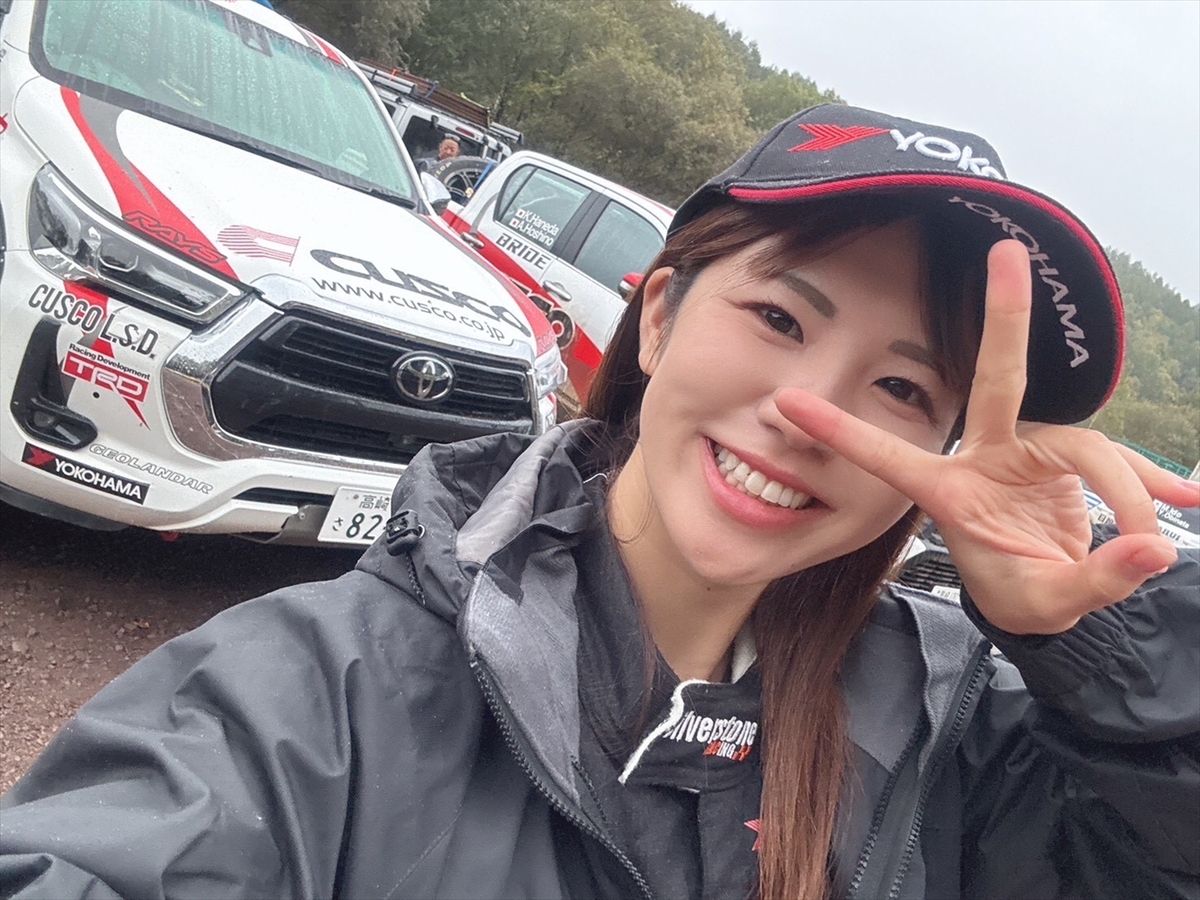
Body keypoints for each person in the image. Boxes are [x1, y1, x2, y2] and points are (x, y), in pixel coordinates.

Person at [2, 105, 1198, 900]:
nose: (808, 412)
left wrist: (1094, 656)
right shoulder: (324, 702)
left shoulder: (952, 735)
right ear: (662, 315)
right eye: (780, 318)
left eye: (901, 387)